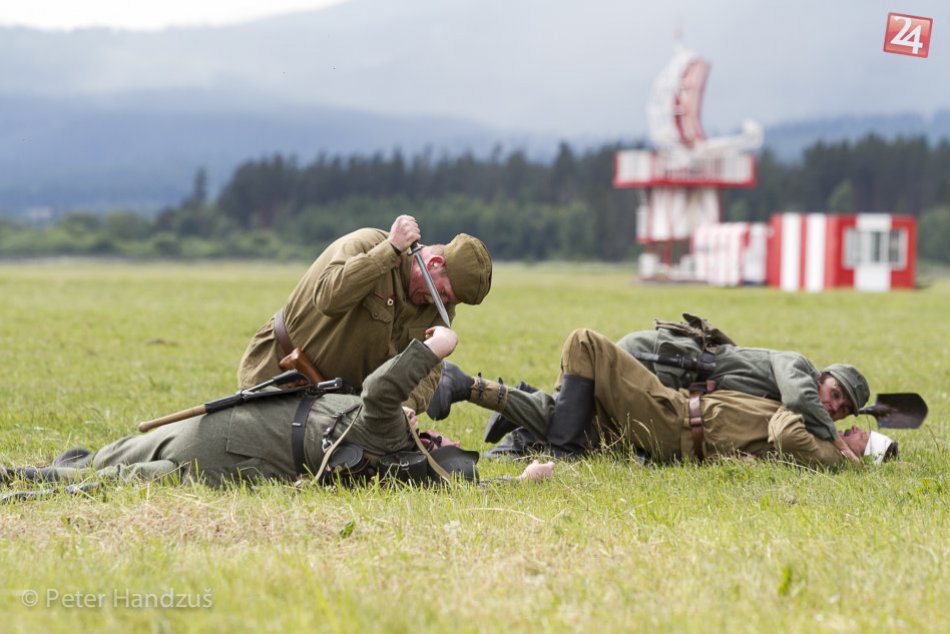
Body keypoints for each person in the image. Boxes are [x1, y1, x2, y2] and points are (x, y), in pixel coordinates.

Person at [2, 327, 552, 490]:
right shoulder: (405, 469)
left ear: (423, 445)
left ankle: (28, 482)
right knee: (113, 467)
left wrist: (435, 349)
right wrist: (521, 481)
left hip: (227, 441)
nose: (433, 430)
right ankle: (36, 479)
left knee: (115, 471)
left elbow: (384, 389)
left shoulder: (385, 431)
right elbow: (458, 486)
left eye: (438, 439)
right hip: (234, 437)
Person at [429, 313, 872, 464]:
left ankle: (470, 387)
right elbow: (800, 402)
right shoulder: (798, 371)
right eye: (835, 395)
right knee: (584, 352)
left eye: (843, 412)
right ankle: (554, 447)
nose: (833, 408)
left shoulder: (801, 419)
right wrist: (837, 438)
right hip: (658, 367)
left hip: (673, 402)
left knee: (581, 420)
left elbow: (786, 429)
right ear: (823, 377)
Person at [237, 215, 493, 414]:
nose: (443, 303)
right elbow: (327, 297)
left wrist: (406, 406)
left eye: (450, 301)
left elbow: (428, 369)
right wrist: (389, 251)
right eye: (444, 293)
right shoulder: (369, 244)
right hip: (279, 373)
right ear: (435, 264)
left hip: (335, 408)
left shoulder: (440, 309)